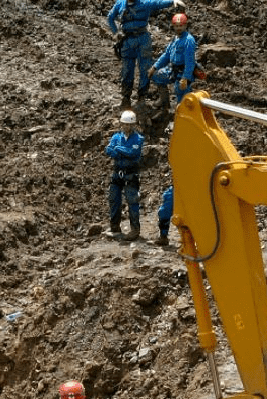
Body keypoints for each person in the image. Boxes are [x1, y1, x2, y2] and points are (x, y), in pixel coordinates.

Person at [106, 0, 186, 108]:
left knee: (145, 69)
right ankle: (126, 98)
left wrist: (172, 1)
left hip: (143, 39)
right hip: (127, 40)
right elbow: (110, 17)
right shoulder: (120, 4)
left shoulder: (145, 2)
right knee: (127, 70)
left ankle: (142, 98)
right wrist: (116, 33)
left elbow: (158, 3)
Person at [104, 110, 144, 241]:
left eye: (129, 124)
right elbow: (108, 150)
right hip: (117, 172)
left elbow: (133, 152)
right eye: (124, 124)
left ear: (133, 125)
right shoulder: (116, 137)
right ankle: (114, 226)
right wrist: (118, 151)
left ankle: (134, 230)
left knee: (132, 200)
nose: (126, 127)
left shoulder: (138, 138)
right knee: (114, 198)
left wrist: (118, 149)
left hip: (130, 174)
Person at [147, 13, 198, 110]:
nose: (179, 28)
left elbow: (190, 61)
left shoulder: (188, 40)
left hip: (183, 72)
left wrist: (185, 78)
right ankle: (164, 101)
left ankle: (182, 116)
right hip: (172, 70)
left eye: (181, 26)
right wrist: (154, 67)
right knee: (157, 76)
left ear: (185, 25)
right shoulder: (175, 38)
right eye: (176, 26)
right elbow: (166, 55)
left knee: (181, 95)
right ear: (173, 26)